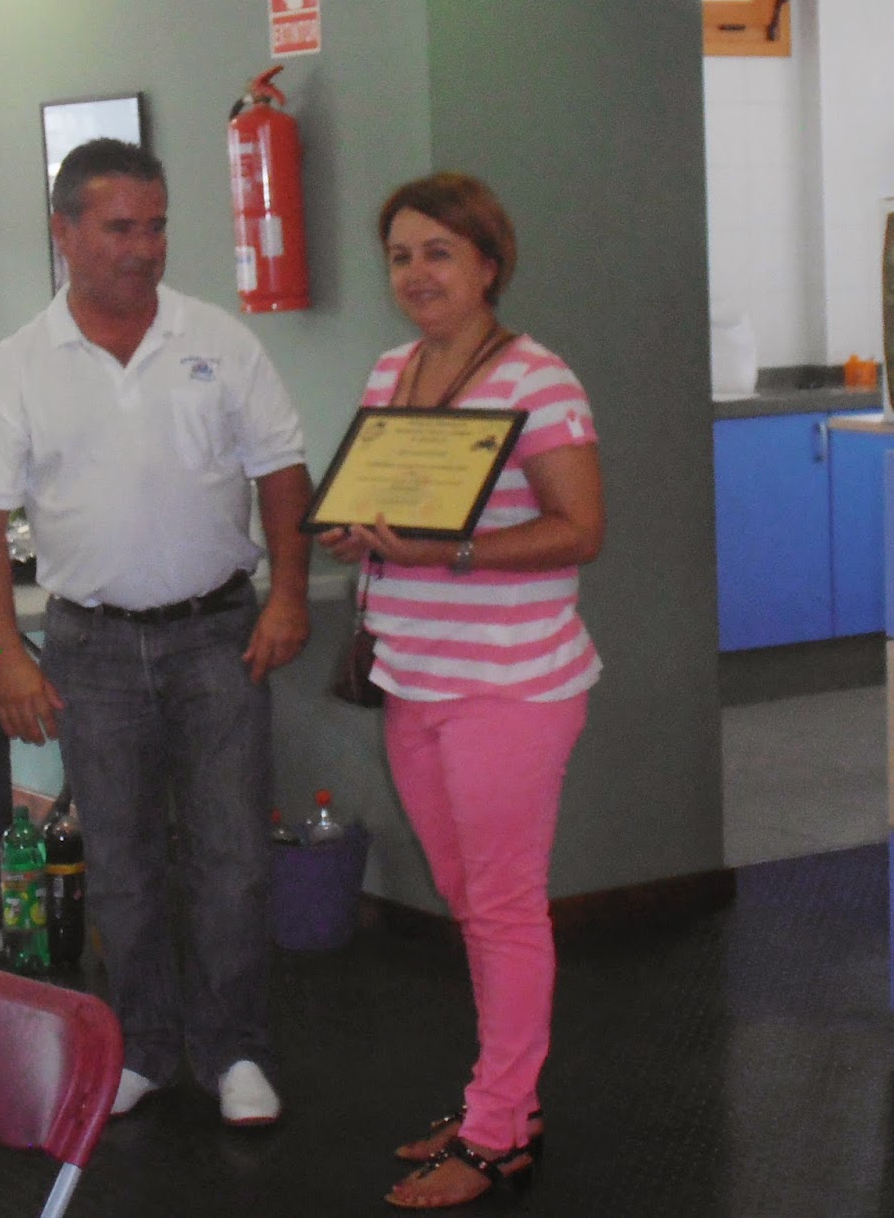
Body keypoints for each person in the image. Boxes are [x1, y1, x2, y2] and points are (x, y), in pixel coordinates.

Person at [0, 137, 312, 1127]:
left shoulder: (219, 342)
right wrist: (5, 652)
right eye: (119, 228)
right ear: (63, 232)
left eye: (155, 226)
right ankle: (146, 1046)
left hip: (218, 635)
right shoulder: (17, 367)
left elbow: (281, 471)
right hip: (91, 649)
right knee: (120, 862)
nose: (143, 247)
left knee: (233, 855)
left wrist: (288, 592)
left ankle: (235, 1048)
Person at [318, 173, 604, 1210]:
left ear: (488, 262)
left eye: (438, 251)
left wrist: (453, 552)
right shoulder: (392, 370)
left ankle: (493, 1136)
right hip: (414, 679)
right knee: (471, 904)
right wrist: (355, 532)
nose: (416, 273)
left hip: (510, 686)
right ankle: (505, 1103)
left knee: (503, 906)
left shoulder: (539, 378)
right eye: (400, 255)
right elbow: (389, 508)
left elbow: (580, 529)